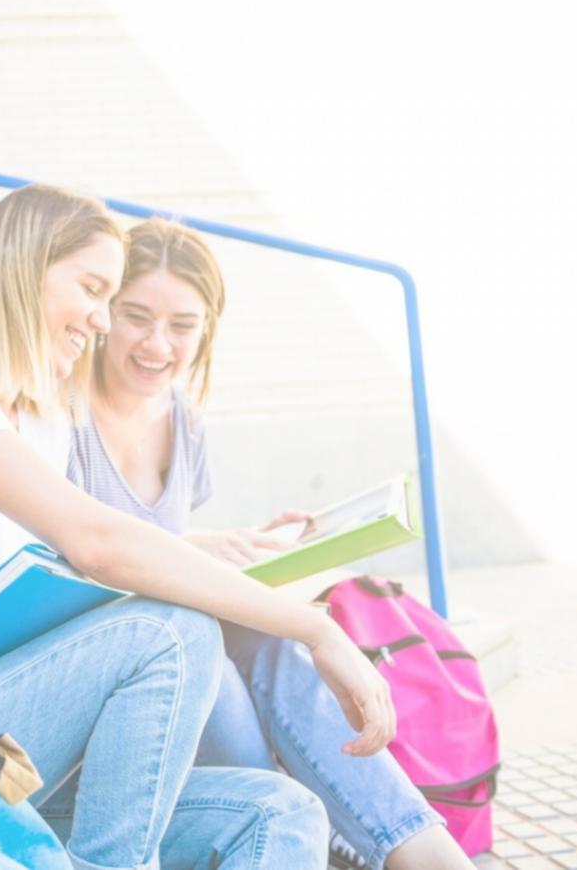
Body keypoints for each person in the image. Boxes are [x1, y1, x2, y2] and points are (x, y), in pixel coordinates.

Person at [0, 184, 397, 870]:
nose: (103, 321)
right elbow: (99, 543)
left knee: (280, 812)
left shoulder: (44, 423)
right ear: (24, 269)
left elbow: (93, 557)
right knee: (174, 632)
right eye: (92, 289)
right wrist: (315, 628)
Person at [65, 218, 475, 870]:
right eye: (135, 316)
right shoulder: (64, 414)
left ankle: (401, 846)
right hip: (107, 682)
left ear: (207, 330)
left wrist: (240, 545)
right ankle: (340, 840)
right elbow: (86, 555)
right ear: (104, 310)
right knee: (230, 645)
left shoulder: (180, 419)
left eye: (182, 325)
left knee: (264, 643)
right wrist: (205, 561)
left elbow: (157, 544)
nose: (156, 344)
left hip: (177, 655)